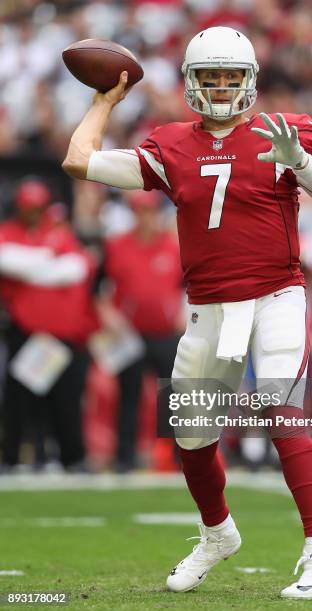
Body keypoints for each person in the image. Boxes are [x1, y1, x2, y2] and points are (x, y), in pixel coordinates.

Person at [62, 27, 312, 599]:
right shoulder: (171, 142)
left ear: (249, 81)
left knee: (283, 409)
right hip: (208, 306)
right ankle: (217, 533)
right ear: (191, 83)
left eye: (230, 77)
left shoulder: (288, 131)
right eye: (208, 77)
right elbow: (80, 162)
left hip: (276, 294)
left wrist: (303, 165)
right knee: (192, 436)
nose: (221, 88)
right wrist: (102, 103)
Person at [0, 178, 97, 471]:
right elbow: (7, 261)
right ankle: (12, 459)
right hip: (26, 331)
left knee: (65, 400)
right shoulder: (10, 232)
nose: (33, 213)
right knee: (19, 401)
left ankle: (72, 459)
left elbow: (76, 269)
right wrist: (46, 261)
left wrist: (34, 269)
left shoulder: (58, 234)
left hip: (61, 335)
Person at [96, 190, 183, 472]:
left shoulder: (173, 247)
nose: (145, 218)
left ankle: (179, 456)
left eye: (150, 212)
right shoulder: (116, 246)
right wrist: (109, 315)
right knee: (128, 395)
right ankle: (125, 456)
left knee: (174, 393)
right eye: (140, 212)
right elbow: (97, 289)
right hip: (129, 334)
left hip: (166, 332)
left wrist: (184, 313)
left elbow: (189, 287)